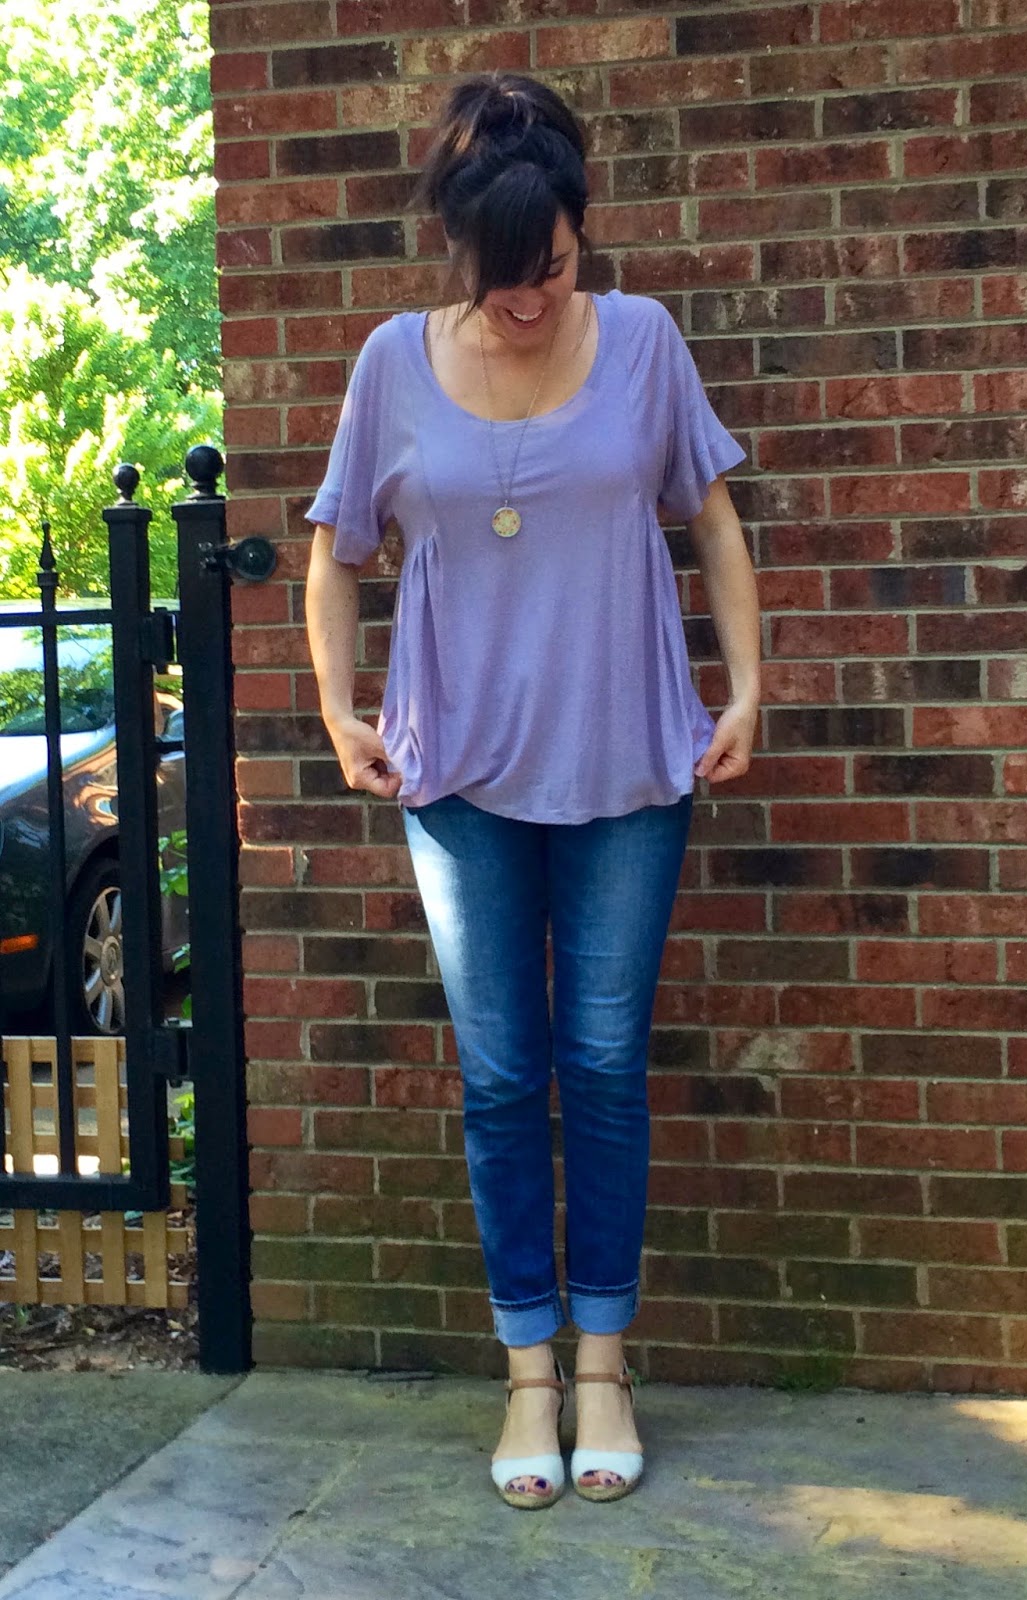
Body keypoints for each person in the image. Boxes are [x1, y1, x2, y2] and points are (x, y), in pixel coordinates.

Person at [304, 70, 761, 1510]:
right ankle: (528, 1377)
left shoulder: (644, 341)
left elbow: (712, 518)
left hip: (629, 763)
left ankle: (606, 1364)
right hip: (457, 777)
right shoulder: (391, 362)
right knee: (503, 1078)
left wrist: (747, 687)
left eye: (551, 269)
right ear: (460, 249)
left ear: (580, 232)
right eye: (502, 278)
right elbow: (335, 550)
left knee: (604, 1066)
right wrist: (338, 711)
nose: (528, 301)